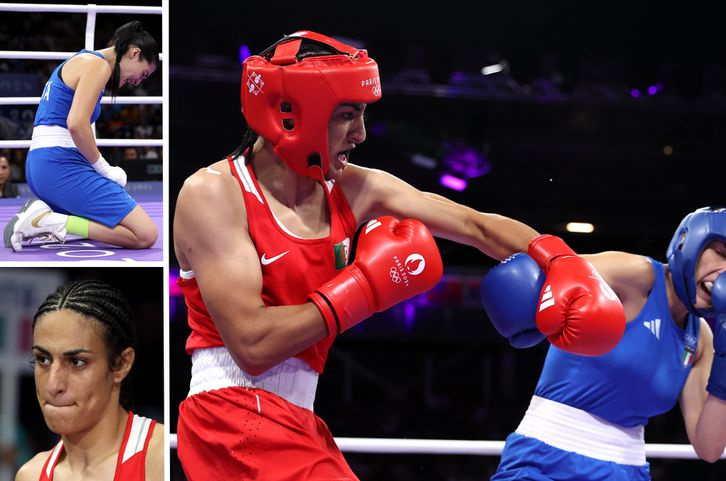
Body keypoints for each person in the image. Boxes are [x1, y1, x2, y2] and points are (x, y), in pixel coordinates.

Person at [172, 30, 627, 481]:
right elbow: (252, 346)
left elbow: (475, 225)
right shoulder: (214, 194)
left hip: (297, 419)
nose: (361, 133)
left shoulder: (354, 188)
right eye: (348, 115)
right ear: (292, 113)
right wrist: (364, 288)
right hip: (232, 416)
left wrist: (559, 260)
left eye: (362, 114)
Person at [481, 206, 726, 480]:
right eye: (720, 253)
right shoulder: (635, 275)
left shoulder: (702, 339)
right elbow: (549, 260)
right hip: (544, 457)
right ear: (690, 244)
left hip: (626, 469)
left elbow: (709, 448)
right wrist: (470, 226)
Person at [3, 21, 159, 252]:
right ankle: (48, 221)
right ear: (134, 53)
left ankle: (48, 216)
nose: (138, 81)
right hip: (58, 166)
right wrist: (104, 168)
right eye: (143, 73)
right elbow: (76, 124)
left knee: (111, 226)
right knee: (145, 234)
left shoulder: (85, 61)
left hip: (45, 167)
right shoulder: (98, 65)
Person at [14, 280, 164, 481]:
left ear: (121, 364)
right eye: (43, 359)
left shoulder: (160, 458)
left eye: (76, 362)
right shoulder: (30, 475)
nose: (53, 385)